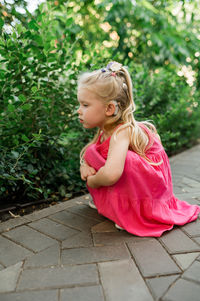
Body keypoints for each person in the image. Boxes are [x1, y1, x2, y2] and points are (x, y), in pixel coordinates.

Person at [77, 61, 200, 237]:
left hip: (152, 187)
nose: (78, 111)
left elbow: (112, 174)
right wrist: (84, 165)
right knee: (91, 152)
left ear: (109, 108)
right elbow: (90, 151)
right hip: (135, 181)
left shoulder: (122, 131)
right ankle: (111, 202)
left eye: (85, 105)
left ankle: (132, 211)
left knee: (126, 160)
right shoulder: (104, 129)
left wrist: (93, 181)